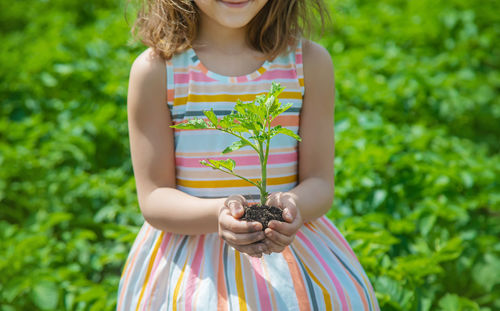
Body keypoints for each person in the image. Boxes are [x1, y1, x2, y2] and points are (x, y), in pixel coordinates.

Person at [117, 0, 380, 310]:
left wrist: (292, 205)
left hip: (290, 250)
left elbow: (319, 182)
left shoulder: (308, 62)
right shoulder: (157, 69)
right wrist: (219, 215)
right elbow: (155, 196)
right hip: (193, 265)